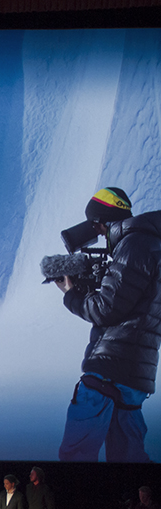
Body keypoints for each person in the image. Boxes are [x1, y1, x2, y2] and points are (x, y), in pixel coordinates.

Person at [56, 187, 161, 462]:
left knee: (75, 456)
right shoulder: (151, 245)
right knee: (129, 460)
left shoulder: (133, 246)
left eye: (97, 226)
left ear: (102, 221)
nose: (97, 233)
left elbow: (106, 309)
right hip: (135, 374)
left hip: (109, 369)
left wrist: (71, 294)